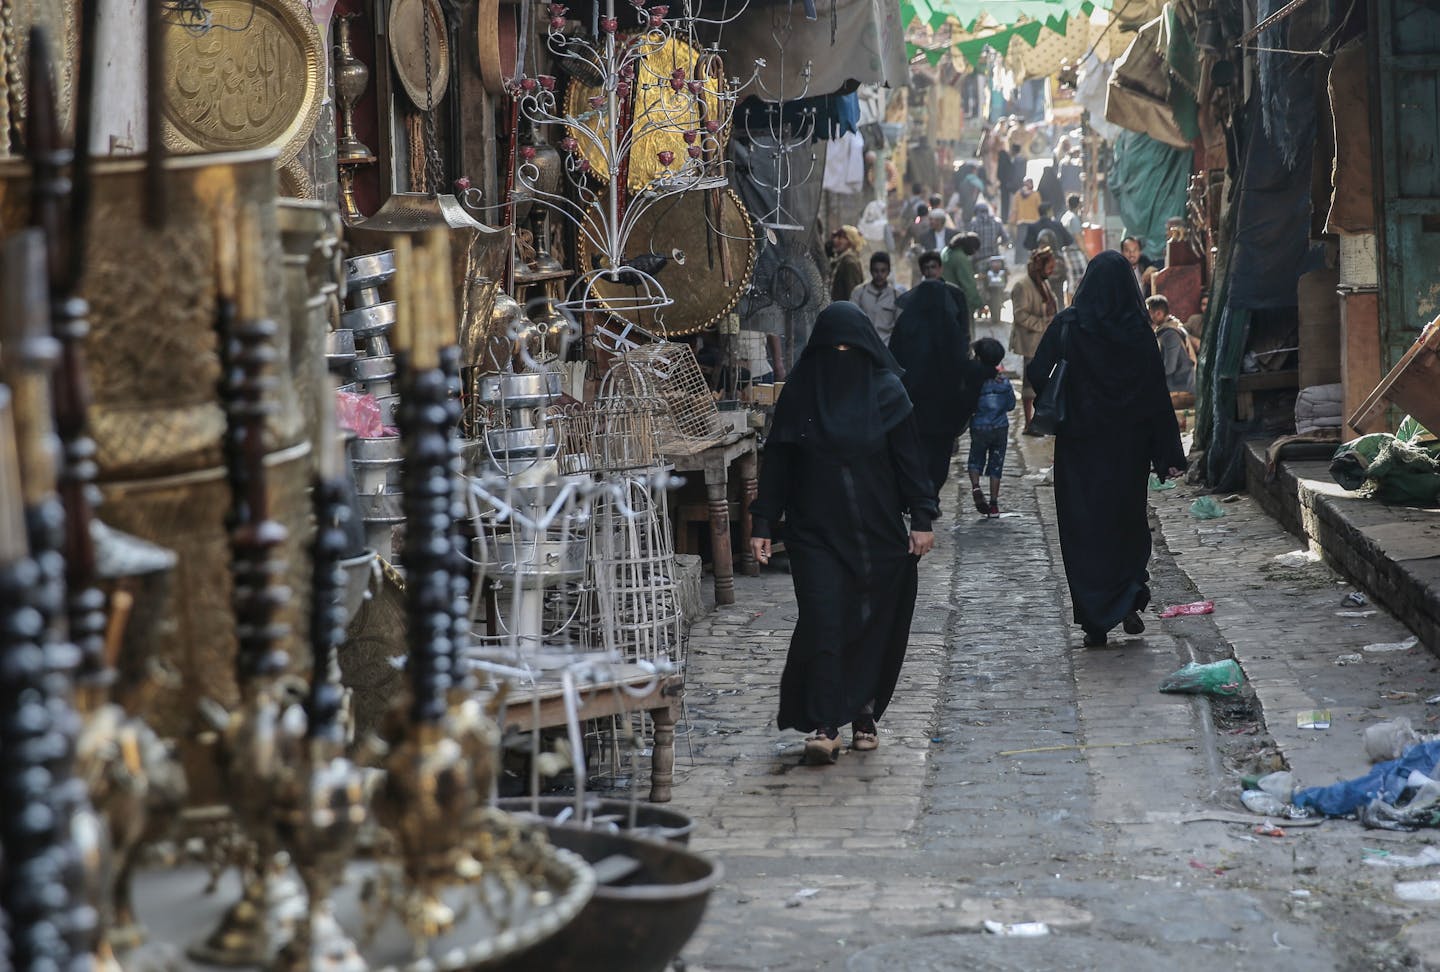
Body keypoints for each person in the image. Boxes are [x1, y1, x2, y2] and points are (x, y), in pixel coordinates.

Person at [749, 302, 938, 764]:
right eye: (831, 349)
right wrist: (761, 523)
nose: (839, 358)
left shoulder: (888, 393)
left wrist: (923, 517)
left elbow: (910, 460)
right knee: (824, 621)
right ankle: (826, 723)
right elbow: (778, 461)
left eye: (847, 349)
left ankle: (864, 714)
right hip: (813, 533)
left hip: (875, 534)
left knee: (872, 622)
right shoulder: (800, 394)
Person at [1026, 251, 1186, 648]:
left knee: (1084, 530)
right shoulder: (1138, 332)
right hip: (1126, 451)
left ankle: (1095, 620)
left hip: (1080, 449)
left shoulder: (1069, 325)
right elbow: (1156, 396)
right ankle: (1128, 597)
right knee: (1124, 524)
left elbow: (1035, 371)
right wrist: (1167, 452)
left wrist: (1064, 403)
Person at [889, 251, 972, 498]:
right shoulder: (950, 332)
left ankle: (918, 495)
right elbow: (961, 361)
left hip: (914, 401)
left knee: (916, 449)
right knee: (940, 451)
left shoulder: (907, 325)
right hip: (944, 404)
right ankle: (930, 495)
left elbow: (895, 359)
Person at [1009, 246, 1058, 434]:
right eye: (1049, 266)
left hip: (1042, 342)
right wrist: (1043, 324)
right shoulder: (1022, 285)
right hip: (1030, 343)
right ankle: (1029, 423)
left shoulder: (1042, 283)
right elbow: (1020, 315)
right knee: (1030, 385)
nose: (1052, 270)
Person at [965, 337, 1015, 519]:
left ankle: (976, 487)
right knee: (996, 464)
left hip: (979, 426)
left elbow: (970, 403)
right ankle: (994, 505)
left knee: (975, 459)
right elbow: (1010, 405)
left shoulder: (977, 383)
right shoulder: (1004, 383)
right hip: (1000, 427)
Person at [1146, 295, 1196, 398]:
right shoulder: (1172, 327)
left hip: (1180, 387)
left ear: (1159, 313)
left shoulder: (1170, 334)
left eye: (1150, 313)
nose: (1149, 317)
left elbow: (1169, 367)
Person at [851, 251, 906, 344]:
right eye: (875, 271)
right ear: (870, 271)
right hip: (863, 343)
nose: (879, 275)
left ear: (888, 271)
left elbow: (901, 326)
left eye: (883, 271)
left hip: (887, 346)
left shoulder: (896, 296)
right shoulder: (859, 293)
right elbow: (852, 320)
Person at [941, 232, 983, 324]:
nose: (974, 253)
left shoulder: (945, 251)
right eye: (975, 250)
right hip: (959, 304)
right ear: (970, 247)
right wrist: (979, 304)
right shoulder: (960, 258)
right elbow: (968, 285)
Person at [829, 225, 866, 303]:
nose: (836, 240)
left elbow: (852, 294)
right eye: (836, 237)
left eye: (840, 237)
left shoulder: (849, 263)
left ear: (850, 242)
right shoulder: (840, 260)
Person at [1010, 178, 1042, 266]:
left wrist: (1012, 222)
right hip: (1033, 222)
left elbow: (1014, 209)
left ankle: (1019, 260)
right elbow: (1039, 207)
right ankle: (1032, 260)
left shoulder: (1018, 194)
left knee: (1021, 242)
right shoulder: (1036, 194)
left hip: (1021, 222)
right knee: (1032, 242)